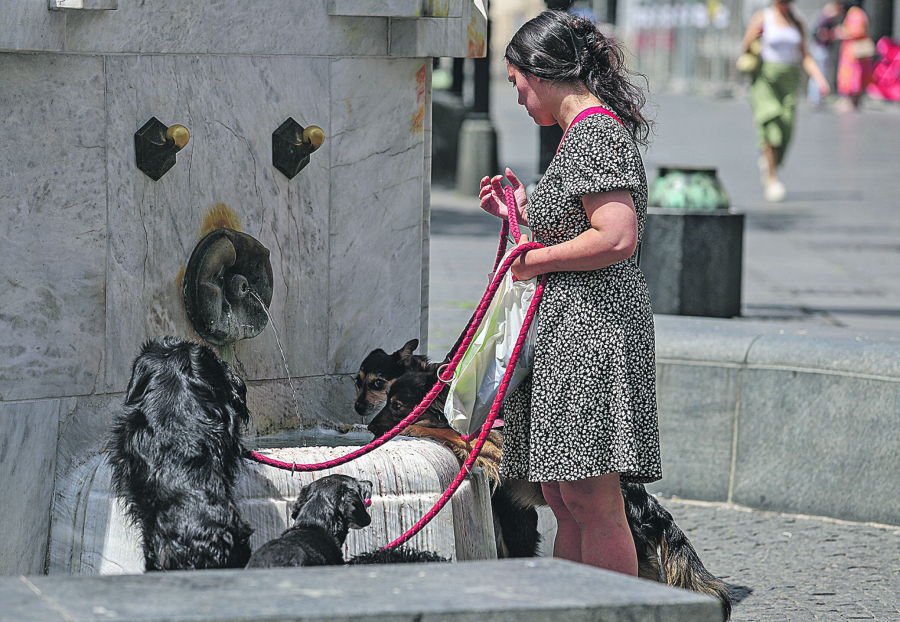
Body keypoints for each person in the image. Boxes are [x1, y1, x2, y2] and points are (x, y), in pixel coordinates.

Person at [477, 9, 661, 576]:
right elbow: (580, 223)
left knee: (593, 503)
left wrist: (532, 260)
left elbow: (617, 236)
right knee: (564, 498)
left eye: (516, 83)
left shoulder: (595, 134)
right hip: (572, 330)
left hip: (592, 333)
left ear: (540, 72)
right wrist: (520, 211)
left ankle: (612, 612)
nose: (517, 97)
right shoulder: (580, 135)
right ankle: (570, 606)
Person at [742, 0, 830, 202]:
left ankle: (770, 162)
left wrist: (819, 78)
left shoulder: (796, 22)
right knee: (770, 122)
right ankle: (771, 178)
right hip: (766, 78)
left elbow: (805, 55)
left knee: (786, 126)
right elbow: (745, 47)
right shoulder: (762, 18)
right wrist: (755, 36)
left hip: (789, 79)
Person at [835, 0, 874, 111]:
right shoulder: (858, 12)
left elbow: (857, 30)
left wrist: (843, 32)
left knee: (852, 77)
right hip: (852, 52)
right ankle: (853, 101)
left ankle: (851, 101)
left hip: (854, 53)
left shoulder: (855, 13)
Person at [807, 0, 846, 108]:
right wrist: (835, 34)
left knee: (817, 73)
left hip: (817, 47)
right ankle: (816, 99)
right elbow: (823, 34)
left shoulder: (823, 16)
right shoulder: (827, 18)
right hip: (821, 49)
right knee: (819, 74)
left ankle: (816, 98)